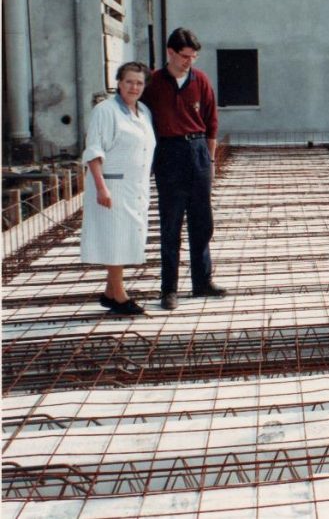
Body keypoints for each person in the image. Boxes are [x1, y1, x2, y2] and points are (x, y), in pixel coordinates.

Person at [141, 28, 227, 310]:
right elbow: (140, 117)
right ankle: (169, 290)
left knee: (202, 221)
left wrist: (210, 161)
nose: (189, 61)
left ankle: (202, 281)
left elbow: (211, 121)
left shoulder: (200, 80)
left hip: (198, 151)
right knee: (171, 224)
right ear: (170, 52)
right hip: (169, 154)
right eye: (184, 56)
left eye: (193, 56)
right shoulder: (153, 82)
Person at [81, 62, 157, 316]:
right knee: (115, 239)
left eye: (139, 82)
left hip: (134, 186)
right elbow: (93, 150)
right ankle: (120, 297)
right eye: (129, 82)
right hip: (111, 185)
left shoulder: (143, 111)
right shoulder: (105, 110)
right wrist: (101, 188)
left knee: (125, 237)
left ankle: (109, 293)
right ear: (119, 83)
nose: (134, 87)